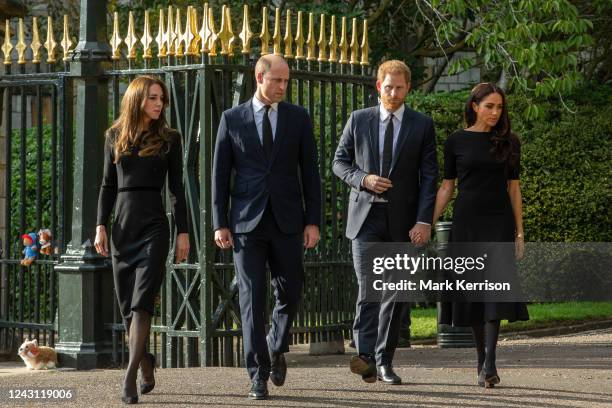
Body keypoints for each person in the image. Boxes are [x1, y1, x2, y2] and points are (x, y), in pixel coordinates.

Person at [212, 54, 322, 400]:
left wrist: (313, 221)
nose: (282, 87)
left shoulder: (298, 118)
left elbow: (310, 174)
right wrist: (220, 223)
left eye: (286, 81)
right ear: (259, 77)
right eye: (277, 80)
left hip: (288, 220)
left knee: (291, 291)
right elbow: (218, 175)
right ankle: (257, 375)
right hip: (246, 223)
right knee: (251, 299)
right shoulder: (232, 119)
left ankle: (276, 345)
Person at [333, 60, 438, 385]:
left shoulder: (421, 125)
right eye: (388, 87)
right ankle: (364, 356)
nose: (393, 93)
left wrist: (423, 220)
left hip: (404, 221)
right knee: (369, 288)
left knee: (396, 293)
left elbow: (429, 176)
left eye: (400, 87)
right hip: (365, 218)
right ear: (379, 86)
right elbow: (339, 162)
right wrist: (363, 179)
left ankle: (384, 361)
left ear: (408, 88)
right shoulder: (359, 119)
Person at [94, 75, 190, 404]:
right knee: (126, 310)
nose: (159, 103)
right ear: (137, 99)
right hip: (122, 228)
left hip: (154, 229)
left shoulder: (170, 139)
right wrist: (100, 226)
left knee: (142, 304)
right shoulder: (114, 137)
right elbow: (107, 186)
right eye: (152, 98)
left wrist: (183, 231)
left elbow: (177, 191)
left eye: (161, 98)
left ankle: (130, 375)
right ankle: (147, 362)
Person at [433, 82, 529, 388]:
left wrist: (520, 231)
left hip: (498, 223)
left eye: (499, 107)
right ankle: (481, 359)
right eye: (489, 106)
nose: (495, 112)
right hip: (466, 223)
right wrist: (425, 223)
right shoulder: (456, 141)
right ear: (475, 106)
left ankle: (490, 362)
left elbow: (514, 187)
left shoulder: (509, 142)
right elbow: (447, 186)